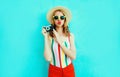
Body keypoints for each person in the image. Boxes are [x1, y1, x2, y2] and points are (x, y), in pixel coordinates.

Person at [42, 6, 76, 77]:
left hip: (68, 70)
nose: (59, 20)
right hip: (54, 70)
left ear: (65, 19)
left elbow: (73, 56)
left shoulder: (70, 36)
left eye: (62, 17)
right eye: (56, 17)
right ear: (53, 20)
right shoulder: (49, 37)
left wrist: (60, 41)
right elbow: (48, 58)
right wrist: (45, 37)